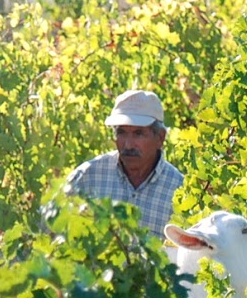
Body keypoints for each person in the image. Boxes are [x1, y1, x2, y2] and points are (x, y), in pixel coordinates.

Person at [65, 89, 184, 238]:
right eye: (121, 132)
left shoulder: (180, 191)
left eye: (138, 134)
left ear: (160, 138)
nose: (128, 145)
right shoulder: (86, 178)